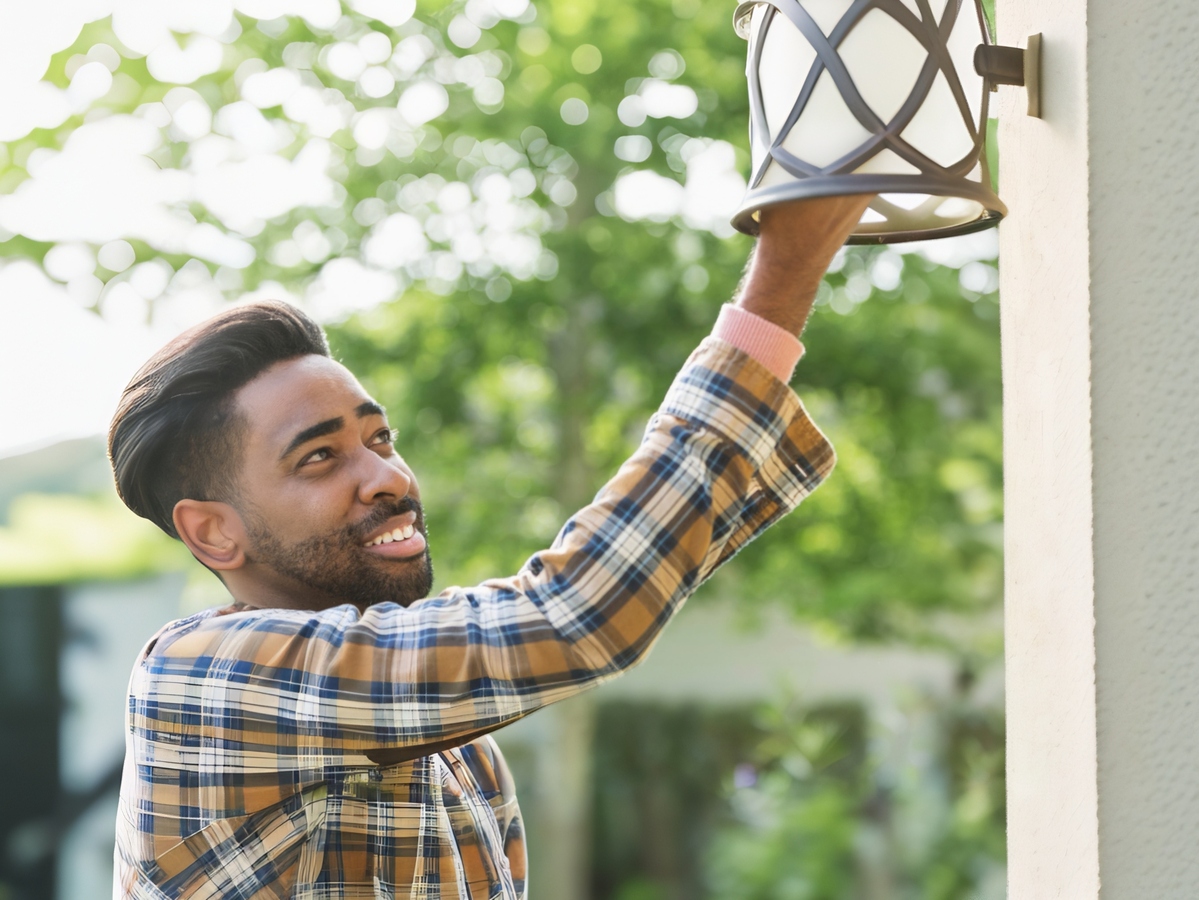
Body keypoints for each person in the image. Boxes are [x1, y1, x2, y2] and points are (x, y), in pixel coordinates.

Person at [107, 193, 871, 899]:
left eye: (380, 438)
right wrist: (782, 276)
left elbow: (618, 591)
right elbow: (572, 617)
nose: (386, 476)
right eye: (320, 457)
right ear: (213, 531)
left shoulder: (462, 756)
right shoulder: (198, 677)